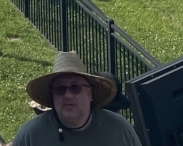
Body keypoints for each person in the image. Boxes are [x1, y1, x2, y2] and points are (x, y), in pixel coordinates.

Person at [11, 51, 141, 146]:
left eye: (75, 87)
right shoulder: (30, 136)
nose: (67, 95)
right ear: (52, 96)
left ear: (90, 93)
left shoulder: (119, 129)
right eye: (60, 89)